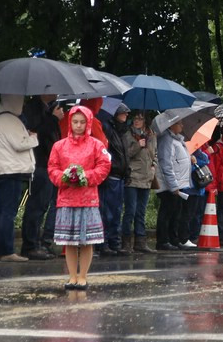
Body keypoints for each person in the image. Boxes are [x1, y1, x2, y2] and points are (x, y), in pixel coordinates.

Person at [47, 105, 111, 290]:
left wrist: (86, 177)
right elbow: (52, 168)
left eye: (82, 122)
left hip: (87, 198)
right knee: (68, 241)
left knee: (85, 240)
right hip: (66, 198)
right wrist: (64, 178)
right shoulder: (59, 146)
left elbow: (104, 166)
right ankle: (72, 276)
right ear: (69, 122)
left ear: (88, 123)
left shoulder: (96, 145)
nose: (78, 125)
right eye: (75, 122)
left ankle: (83, 276)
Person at [0, 94, 39, 262]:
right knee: (8, 212)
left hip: (0, 169)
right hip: (11, 170)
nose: (21, 103)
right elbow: (20, 144)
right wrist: (33, 137)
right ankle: (7, 251)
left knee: (1, 211)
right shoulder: (10, 119)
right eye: (19, 100)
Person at [20, 94, 63, 260]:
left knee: (43, 205)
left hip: (48, 163)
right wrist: (53, 118)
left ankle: (37, 244)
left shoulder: (47, 108)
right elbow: (37, 132)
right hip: (39, 163)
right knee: (36, 206)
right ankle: (30, 245)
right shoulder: (33, 109)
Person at [96, 103, 131, 256]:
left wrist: (127, 172)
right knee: (107, 211)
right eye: (124, 112)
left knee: (116, 211)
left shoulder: (121, 132)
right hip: (111, 176)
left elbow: (124, 154)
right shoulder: (109, 129)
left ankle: (113, 242)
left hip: (120, 176)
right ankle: (103, 243)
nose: (127, 115)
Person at [122, 110, 156, 253]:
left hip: (147, 176)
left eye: (140, 119)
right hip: (133, 176)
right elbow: (126, 153)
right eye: (135, 118)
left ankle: (140, 241)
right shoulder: (128, 134)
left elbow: (155, 153)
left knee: (141, 211)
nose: (137, 121)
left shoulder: (151, 135)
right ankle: (125, 242)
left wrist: (154, 166)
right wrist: (138, 145)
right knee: (130, 210)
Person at [155, 120, 191, 251]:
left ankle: (173, 239)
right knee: (167, 213)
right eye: (179, 123)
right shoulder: (167, 139)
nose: (182, 125)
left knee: (176, 212)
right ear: (172, 125)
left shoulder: (177, 140)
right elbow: (166, 163)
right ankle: (163, 240)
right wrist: (173, 185)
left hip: (177, 183)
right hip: (169, 185)